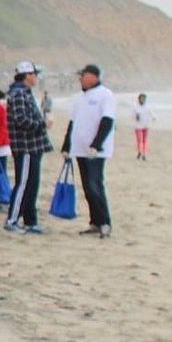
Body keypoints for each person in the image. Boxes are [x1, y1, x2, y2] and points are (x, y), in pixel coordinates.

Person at [62, 63, 117, 238]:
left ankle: (105, 222)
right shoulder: (79, 98)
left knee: (95, 185)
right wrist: (66, 146)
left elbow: (107, 122)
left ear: (93, 76)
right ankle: (94, 221)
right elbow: (73, 123)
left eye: (83, 75)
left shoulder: (105, 95)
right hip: (79, 149)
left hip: (96, 151)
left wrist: (96, 144)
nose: (80, 78)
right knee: (86, 187)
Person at [4, 62, 50, 234]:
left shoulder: (24, 93)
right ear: (27, 75)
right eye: (34, 74)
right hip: (25, 147)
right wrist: (42, 124)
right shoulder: (18, 94)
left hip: (33, 147)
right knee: (23, 184)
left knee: (32, 184)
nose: (36, 77)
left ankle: (31, 221)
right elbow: (21, 120)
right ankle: (12, 220)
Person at [133, 92, 155, 160]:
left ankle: (144, 154)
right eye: (142, 98)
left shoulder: (147, 106)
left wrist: (154, 118)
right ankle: (139, 152)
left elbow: (152, 113)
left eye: (144, 99)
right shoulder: (135, 107)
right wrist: (135, 117)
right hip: (138, 126)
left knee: (144, 141)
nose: (143, 100)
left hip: (146, 125)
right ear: (139, 99)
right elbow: (132, 115)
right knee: (139, 140)